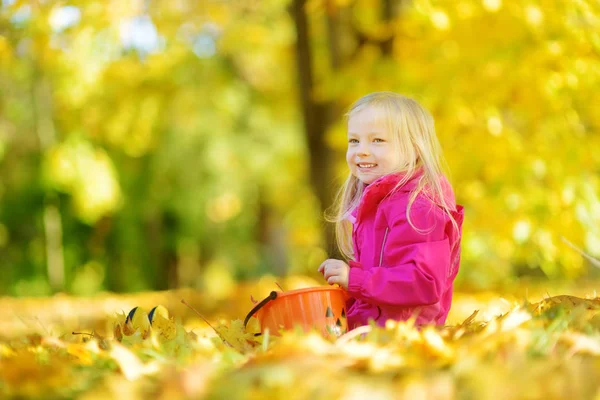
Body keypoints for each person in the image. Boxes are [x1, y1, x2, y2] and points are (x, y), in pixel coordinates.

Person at [318, 92, 464, 329]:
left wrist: (353, 279)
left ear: (414, 149)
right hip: (377, 326)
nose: (361, 150)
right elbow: (380, 275)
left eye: (377, 140)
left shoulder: (418, 207)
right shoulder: (376, 201)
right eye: (354, 141)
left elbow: (423, 283)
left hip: (403, 332)